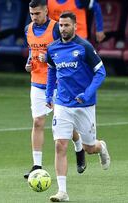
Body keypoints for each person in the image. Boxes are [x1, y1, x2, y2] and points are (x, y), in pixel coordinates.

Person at [46, 11, 110, 202]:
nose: (63, 29)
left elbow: (101, 72)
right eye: (61, 25)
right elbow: (51, 71)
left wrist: (88, 93)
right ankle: (62, 192)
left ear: (75, 26)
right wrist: (49, 94)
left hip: (84, 105)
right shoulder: (53, 49)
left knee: (90, 148)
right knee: (60, 145)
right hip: (62, 104)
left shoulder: (84, 47)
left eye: (67, 25)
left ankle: (101, 146)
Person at [23, 0, 86, 180]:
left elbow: (67, 50)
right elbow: (30, 50)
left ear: (46, 11)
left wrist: (49, 57)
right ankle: (37, 166)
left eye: (37, 13)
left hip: (59, 83)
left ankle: (79, 146)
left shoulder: (56, 28)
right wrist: (29, 62)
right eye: (32, 14)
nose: (34, 17)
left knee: (65, 127)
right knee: (38, 122)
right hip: (37, 81)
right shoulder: (28, 29)